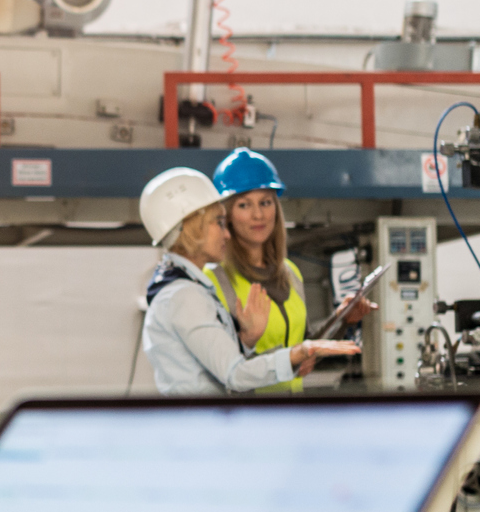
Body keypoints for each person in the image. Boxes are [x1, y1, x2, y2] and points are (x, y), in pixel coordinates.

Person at [138, 169, 359, 394]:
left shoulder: (188, 289)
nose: (226, 234)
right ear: (194, 228)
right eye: (218, 222)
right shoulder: (184, 296)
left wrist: (247, 340)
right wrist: (297, 353)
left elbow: (218, 363)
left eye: (266, 203)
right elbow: (233, 374)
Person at [208, 147, 375, 392]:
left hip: (291, 413)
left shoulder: (290, 272)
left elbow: (304, 346)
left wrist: (341, 319)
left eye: (265, 202)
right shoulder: (215, 280)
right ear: (227, 215)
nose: (258, 214)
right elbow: (222, 368)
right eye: (244, 205)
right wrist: (286, 357)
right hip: (247, 420)